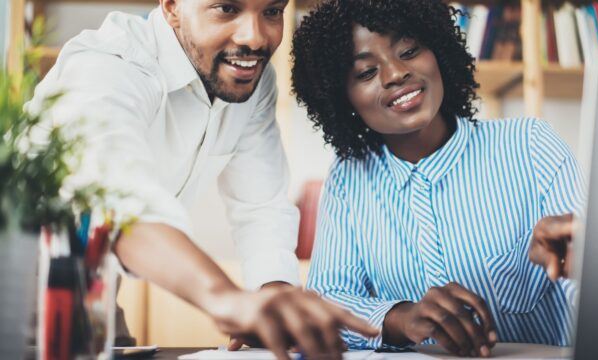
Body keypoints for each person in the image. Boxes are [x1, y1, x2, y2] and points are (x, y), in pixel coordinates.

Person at [26, 0, 377, 359]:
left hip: (92, 298)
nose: (254, 38)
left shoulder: (252, 80)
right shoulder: (107, 66)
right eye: (226, 9)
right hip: (19, 297)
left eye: (272, 11)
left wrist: (272, 292)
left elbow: (261, 205)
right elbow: (113, 199)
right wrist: (228, 300)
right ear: (172, 6)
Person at [291, 0, 584, 357]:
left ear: (438, 50)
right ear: (343, 98)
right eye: (366, 73)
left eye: (410, 50)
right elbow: (327, 302)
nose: (395, 73)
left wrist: (583, 261)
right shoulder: (349, 177)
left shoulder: (530, 145)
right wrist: (399, 319)